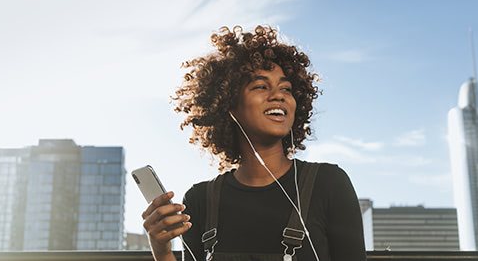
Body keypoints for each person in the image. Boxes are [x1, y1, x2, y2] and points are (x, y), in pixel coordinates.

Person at [142, 25, 366, 261]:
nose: (278, 95)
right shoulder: (199, 200)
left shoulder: (329, 184)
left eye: (286, 88)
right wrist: (161, 250)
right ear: (227, 103)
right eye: (261, 86)